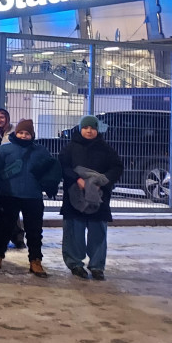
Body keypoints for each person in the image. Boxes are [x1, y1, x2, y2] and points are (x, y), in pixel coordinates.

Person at [0, 119, 58, 278]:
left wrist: (51, 185)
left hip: (33, 196)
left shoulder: (40, 151)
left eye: (27, 133)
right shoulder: (5, 150)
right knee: (4, 228)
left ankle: (35, 260)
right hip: (9, 195)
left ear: (32, 135)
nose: (23, 136)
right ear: (15, 133)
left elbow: (51, 170)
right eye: (21, 132)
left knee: (34, 230)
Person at [59, 115, 123, 281]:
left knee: (98, 232)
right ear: (81, 129)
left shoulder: (106, 149)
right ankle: (75, 264)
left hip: (98, 197)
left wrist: (101, 182)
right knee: (74, 231)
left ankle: (97, 266)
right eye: (86, 127)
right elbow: (63, 166)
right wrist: (76, 179)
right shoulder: (70, 147)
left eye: (92, 128)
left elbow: (116, 167)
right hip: (75, 197)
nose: (89, 131)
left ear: (97, 129)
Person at [0, 107, 25, 249]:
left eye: (2, 117)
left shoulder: (16, 133)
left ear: (7, 118)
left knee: (12, 207)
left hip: (11, 176)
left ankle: (17, 237)